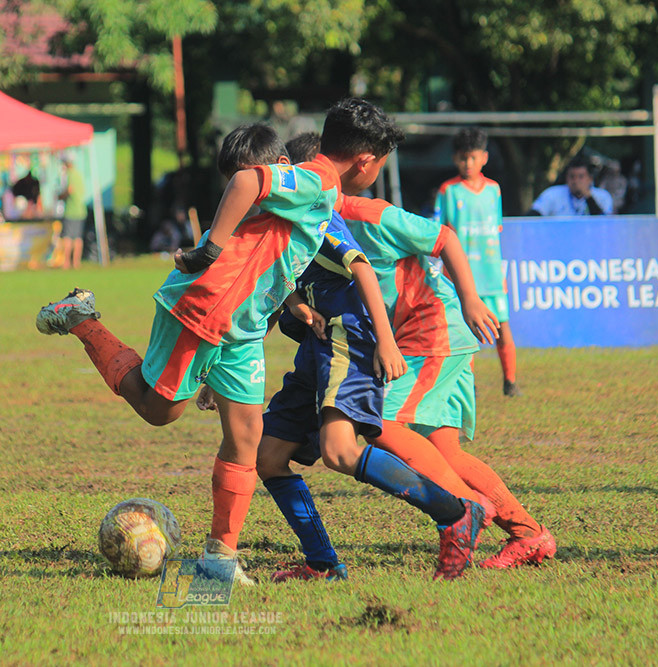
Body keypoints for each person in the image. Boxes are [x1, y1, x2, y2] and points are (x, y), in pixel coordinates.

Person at [37, 100, 399, 584]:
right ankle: (81, 318)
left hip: (243, 328)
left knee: (245, 439)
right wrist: (211, 247)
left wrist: (289, 300)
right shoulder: (317, 181)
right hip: (203, 309)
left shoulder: (322, 192)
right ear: (366, 161)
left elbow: (268, 248)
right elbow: (249, 180)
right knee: (159, 410)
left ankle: (218, 560)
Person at [276, 132, 555, 571]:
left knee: (381, 421)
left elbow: (444, 237)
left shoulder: (365, 213)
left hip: (435, 330)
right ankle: (529, 534)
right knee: (446, 451)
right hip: (422, 334)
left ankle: (464, 510)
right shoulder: (308, 222)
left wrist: (469, 298)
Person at [435, 127, 520, 397]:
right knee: (464, 332)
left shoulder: (494, 190)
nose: (467, 163)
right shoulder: (449, 191)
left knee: (502, 326)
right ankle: (467, 384)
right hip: (461, 278)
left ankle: (510, 381)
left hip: (491, 275)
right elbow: (440, 232)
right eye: (462, 158)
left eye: (472, 157)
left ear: (484, 158)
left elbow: (496, 229)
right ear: (455, 159)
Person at [529, 155, 614, 216]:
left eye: (581, 177)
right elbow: (533, 215)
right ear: (567, 179)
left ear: (590, 179)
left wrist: (588, 197)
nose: (576, 181)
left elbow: (604, 224)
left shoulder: (603, 196)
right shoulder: (552, 193)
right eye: (572, 177)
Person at [58, 156, 87, 270]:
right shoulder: (79, 174)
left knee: (68, 237)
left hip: (71, 210)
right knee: (78, 237)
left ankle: (67, 263)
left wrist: (61, 196)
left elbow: (70, 189)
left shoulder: (70, 174)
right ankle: (76, 263)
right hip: (81, 210)